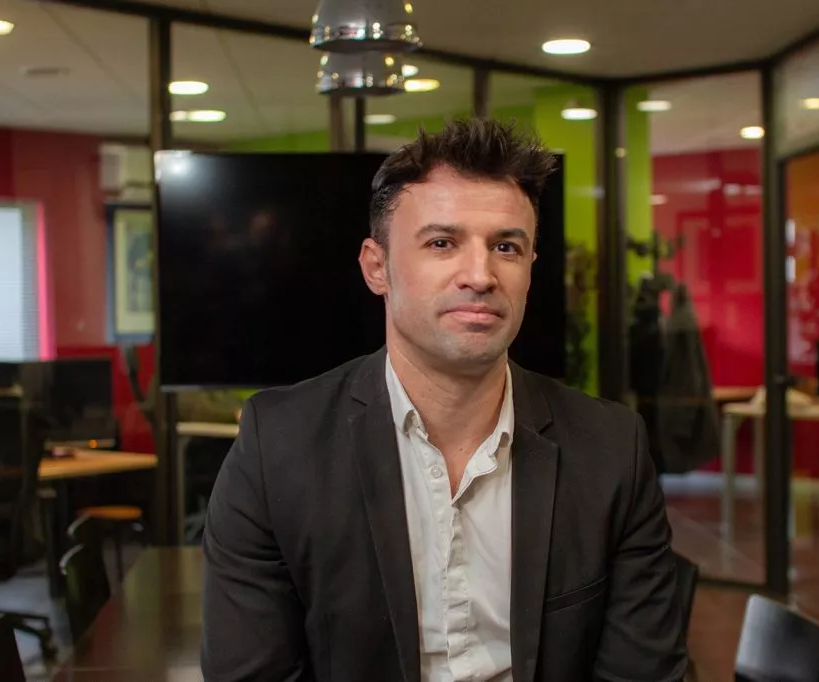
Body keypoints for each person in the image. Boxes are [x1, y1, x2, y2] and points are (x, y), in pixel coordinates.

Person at [201, 118, 688, 682]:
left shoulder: (610, 450)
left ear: (530, 269)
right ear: (376, 267)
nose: (480, 275)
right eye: (441, 242)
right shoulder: (277, 447)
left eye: (506, 246)